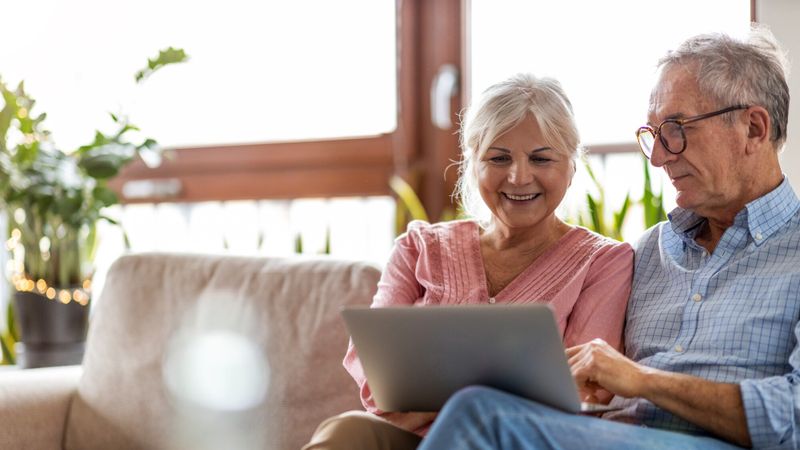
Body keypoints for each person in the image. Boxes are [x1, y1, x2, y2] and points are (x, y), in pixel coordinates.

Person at [415, 25, 799, 450]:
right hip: (610, 435)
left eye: (675, 128)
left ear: (754, 129)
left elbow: (795, 416)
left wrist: (642, 381)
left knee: (481, 416)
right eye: (652, 134)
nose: (657, 156)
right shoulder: (648, 252)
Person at [302, 73, 634, 450]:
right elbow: (377, 380)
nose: (519, 176)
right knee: (348, 430)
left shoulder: (604, 262)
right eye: (499, 157)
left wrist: (435, 400)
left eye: (541, 158)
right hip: (410, 441)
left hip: (511, 442)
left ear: (572, 166)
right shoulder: (418, 247)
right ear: (472, 163)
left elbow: (581, 392)